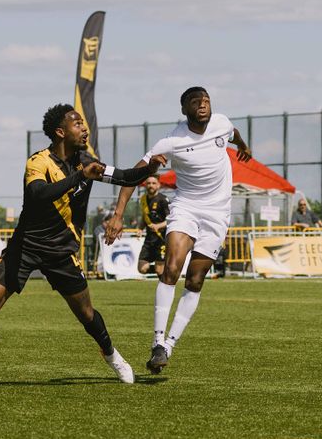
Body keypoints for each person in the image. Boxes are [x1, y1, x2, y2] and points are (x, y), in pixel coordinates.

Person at [0, 104, 163, 389]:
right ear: (60, 132)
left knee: (86, 314)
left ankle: (112, 356)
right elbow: (38, 194)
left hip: (61, 251)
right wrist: (81, 176)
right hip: (26, 246)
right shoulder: (38, 161)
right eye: (77, 124)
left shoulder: (88, 161)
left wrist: (151, 167)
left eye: (83, 123)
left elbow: (126, 177)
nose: (84, 128)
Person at [105, 86, 251, 374]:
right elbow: (133, 176)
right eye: (195, 102)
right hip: (186, 207)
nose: (202, 105)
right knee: (172, 268)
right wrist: (118, 215)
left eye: (206, 101)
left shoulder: (221, 123)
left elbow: (233, 133)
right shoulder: (171, 141)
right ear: (184, 109)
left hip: (217, 213)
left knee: (195, 280)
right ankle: (157, 342)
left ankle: (170, 345)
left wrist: (243, 147)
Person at [137, 176, 171, 277]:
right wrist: (140, 228)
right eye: (148, 183)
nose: (150, 185)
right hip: (149, 239)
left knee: (159, 271)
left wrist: (158, 226)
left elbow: (171, 220)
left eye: (153, 183)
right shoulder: (143, 199)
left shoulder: (163, 200)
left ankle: (164, 272)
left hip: (161, 239)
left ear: (158, 185)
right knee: (142, 268)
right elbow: (144, 217)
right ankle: (165, 270)